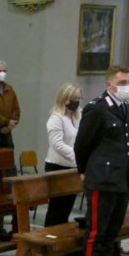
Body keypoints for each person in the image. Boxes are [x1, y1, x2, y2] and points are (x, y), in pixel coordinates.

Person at [74, 65, 129, 256]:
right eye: (122, 83)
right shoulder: (97, 108)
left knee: (111, 232)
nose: (127, 87)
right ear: (109, 85)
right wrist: (83, 171)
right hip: (102, 179)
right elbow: (82, 144)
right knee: (96, 233)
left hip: (122, 179)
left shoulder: (124, 108)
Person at [43, 83, 82, 226]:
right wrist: (77, 156)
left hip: (72, 168)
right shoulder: (56, 118)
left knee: (66, 209)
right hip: (57, 167)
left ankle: (61, 236)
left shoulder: (78, 116)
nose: (78, 101)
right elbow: (57, 144)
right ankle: (49, 235)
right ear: (65, 99)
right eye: (75, 98)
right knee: (56, 209)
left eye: (79, 98)